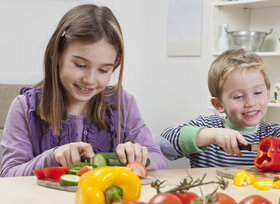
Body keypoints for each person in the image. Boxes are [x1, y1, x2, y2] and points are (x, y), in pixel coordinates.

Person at [0, 4, 167, 177]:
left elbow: (160, 162)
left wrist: (138, 157)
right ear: (55, 54)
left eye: (103, 70)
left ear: (115, 66)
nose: (89, 79)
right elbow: (9, 174)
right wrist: (52, 156)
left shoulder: (123, 103)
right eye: (80, 65)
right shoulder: (24, 107)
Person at [159, 49, 280, 168]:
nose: (250, 102)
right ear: (218, 105)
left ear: (267, 94)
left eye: (257, 92)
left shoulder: (272, 133)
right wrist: (212, 135)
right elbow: (164, 143)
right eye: (238, 96)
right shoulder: (208, 126)